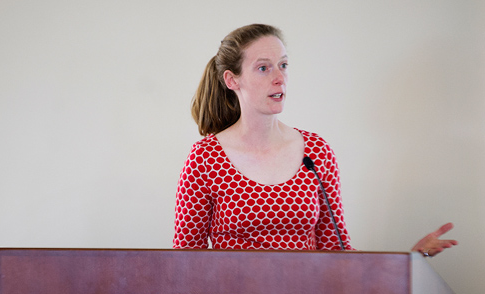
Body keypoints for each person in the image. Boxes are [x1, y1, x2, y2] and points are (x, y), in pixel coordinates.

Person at [173, 24, 457, 257]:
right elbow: (185, 259)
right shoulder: (205, 158)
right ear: (232, 80)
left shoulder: (315, 151)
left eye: (283, 65)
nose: (279, 78)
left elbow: (336, 251)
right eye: (263, 68)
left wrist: (410, 260)